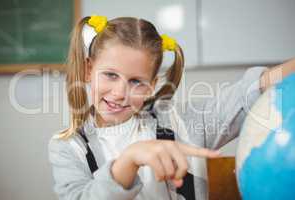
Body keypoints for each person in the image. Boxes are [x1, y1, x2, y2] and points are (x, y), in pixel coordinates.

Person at [48, 15, 295, 200]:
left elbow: (250, 92)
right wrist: (130, 159)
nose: (120, 93)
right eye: (111, 75)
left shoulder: (182, 124)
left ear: (151, 86)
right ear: (89, 69)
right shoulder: (68, 147)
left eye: (136, 81)